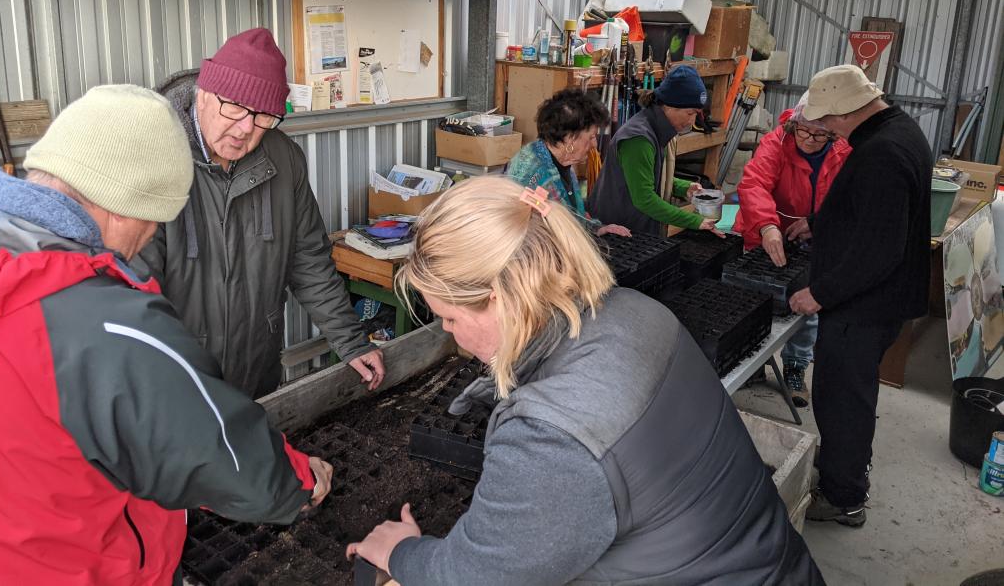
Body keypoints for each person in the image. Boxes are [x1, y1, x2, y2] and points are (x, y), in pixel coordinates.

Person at [346, 176, 824, 585]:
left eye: (449, 318)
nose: (450, 336)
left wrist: (402, 554)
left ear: (498, 299)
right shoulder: (637, 311)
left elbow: (474, 575)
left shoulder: (553, 437)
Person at [0, 85, 333, 584]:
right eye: (153, 222)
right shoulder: (105, 326)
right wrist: (301, 482)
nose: (144, 242)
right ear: (123, 206)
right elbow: (226, 461)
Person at [138, 28, 384, 399]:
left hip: (256, 370)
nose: (245, 130)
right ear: (203, 94)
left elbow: (309, 261)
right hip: (175, 382)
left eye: (264, 117)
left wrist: (351, 341)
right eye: (234, 108)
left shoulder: (283, 159)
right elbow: (132, 292)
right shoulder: (149, 161)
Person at [788, 65, 932, 527]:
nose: (825, 128)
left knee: (842, 400)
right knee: (851, 393)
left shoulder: (883, 154)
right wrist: (820, 221)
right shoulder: (898, 129)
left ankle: (844, 497)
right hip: (878, 301)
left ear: (848, 110)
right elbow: (872, 213)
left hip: (864, 307)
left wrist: (820, 293)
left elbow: (878, 250)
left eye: (828, 120)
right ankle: (843, 475)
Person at [734, 93, 851, 406]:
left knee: (805, 305)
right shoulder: (776, 142)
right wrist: (767, 225)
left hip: (814, 238)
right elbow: (754, 183)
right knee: (753, 298)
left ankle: (796, 367)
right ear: (794, 124)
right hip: (766, 230)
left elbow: (850, 198)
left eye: (820, 133)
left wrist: (819, 222)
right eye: (804, 131)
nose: (810, 139)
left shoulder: (844, 152)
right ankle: (752, 364)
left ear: (833, 132)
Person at [587, 65, 724, 237]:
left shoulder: (658, 130)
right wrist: (695, 221)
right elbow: (645, 199)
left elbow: (646, 175)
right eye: (690, 113)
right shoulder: (638, 139)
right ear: (669, 106)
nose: (692, 121)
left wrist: (683, 187)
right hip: (617, 232)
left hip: (634, 227)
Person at [507, 88, 630, 237]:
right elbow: (544, 235)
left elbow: (572, 216)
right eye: (591, 137)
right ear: (571, 138)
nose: (594, 145)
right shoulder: (535, 174)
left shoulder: (561, 161)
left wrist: (597, 228)